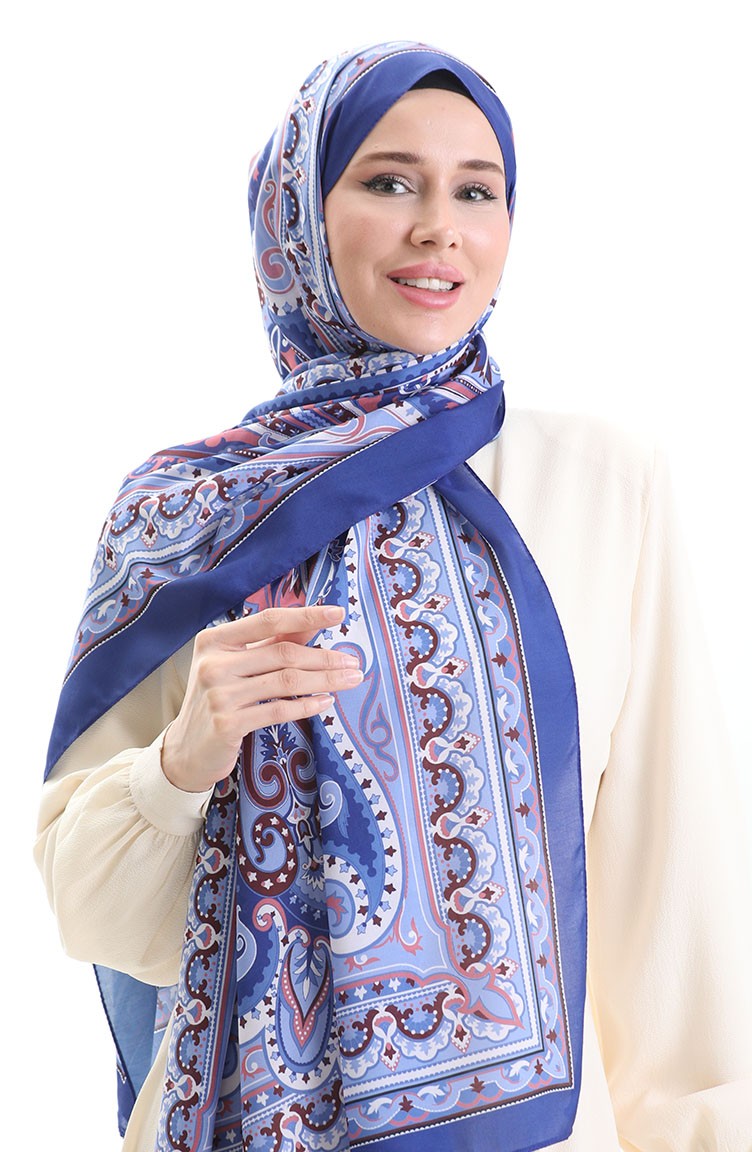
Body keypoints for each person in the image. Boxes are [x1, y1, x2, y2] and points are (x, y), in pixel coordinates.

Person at [35, 40, 752, 1152]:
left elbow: (680, 891)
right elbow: (91, 915)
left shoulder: (605, 482)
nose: (438, 229)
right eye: (387, 182)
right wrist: (184, 758)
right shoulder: (181, 514)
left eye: (476, 191)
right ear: (296, 219)